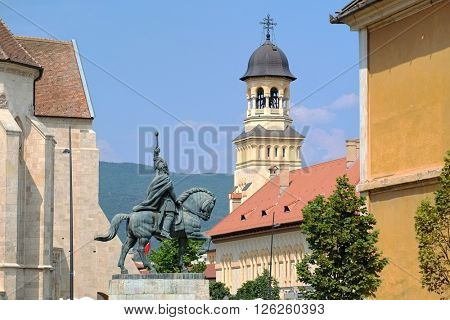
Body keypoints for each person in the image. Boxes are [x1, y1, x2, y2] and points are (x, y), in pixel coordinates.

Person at [132, 146, 177, 239]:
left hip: (157, 201)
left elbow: (155, 165)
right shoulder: (166, 179)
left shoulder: (156, 178)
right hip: (165, 202)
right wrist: (176, 201)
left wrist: (156, 154)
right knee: (170, 213)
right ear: (165, 168)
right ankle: (165, 231)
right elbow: (171, 192)